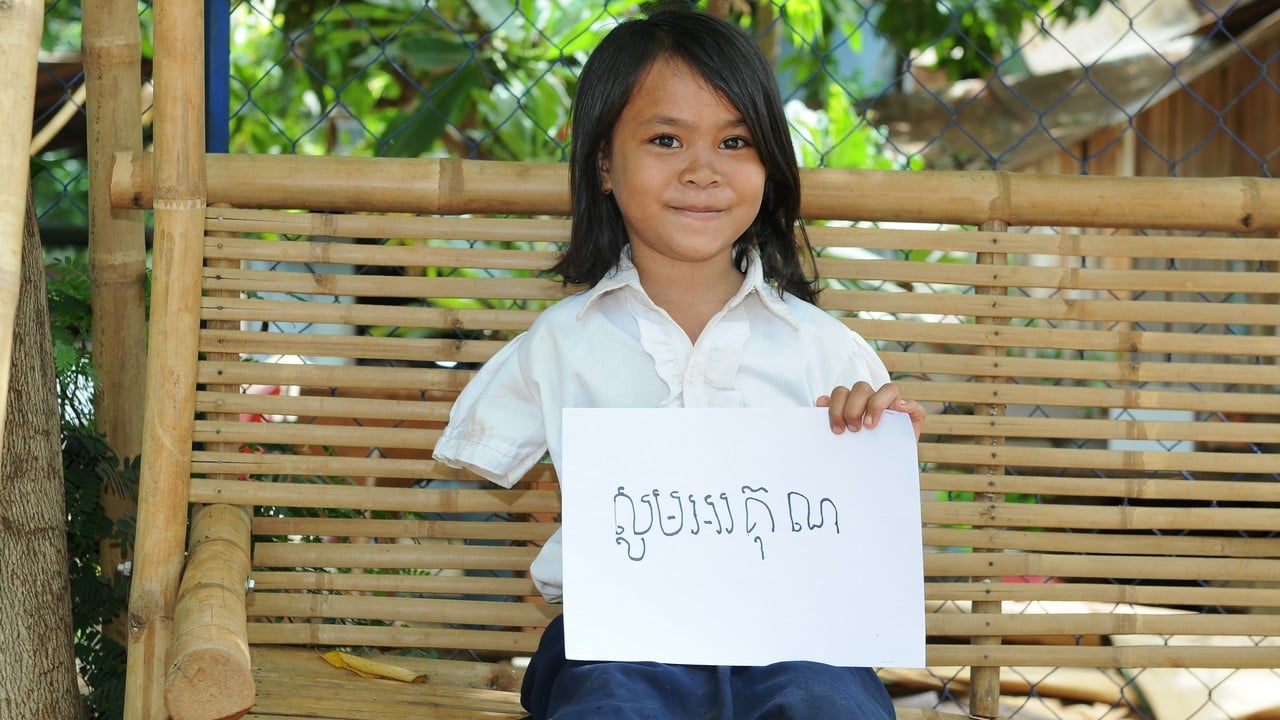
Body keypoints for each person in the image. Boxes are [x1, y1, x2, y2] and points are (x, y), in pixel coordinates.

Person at [433, 6, 926, 719]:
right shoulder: (561, 342)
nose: (703, 170)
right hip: (616, 640)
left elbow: (869, 521)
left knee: (828, 704)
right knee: (607, 704)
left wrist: (873, 430)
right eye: (667, 139)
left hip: (798, 640)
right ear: (603, 160)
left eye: (735, 141)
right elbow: (473, 456)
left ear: (769, 165)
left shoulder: (827, 349)